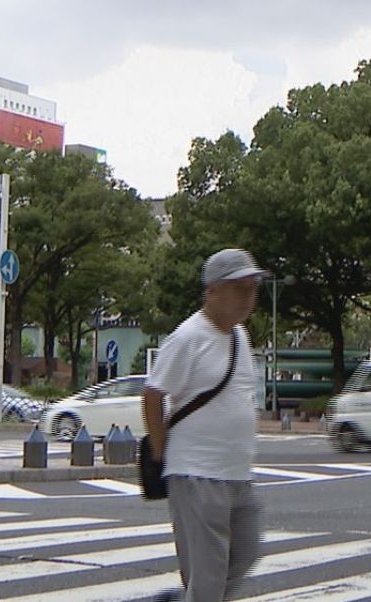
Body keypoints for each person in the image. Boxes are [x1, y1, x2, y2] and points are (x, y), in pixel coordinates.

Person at [144, 248, 266, 602]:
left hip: (237, 473)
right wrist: (161, 451)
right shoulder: (188, 337)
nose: (249, 297)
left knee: (245, 551)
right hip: (197, 471)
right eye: (240, 288)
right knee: (209, 577)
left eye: (253, 288)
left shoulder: (240, 336)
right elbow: (153, 394)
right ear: (212, 291)